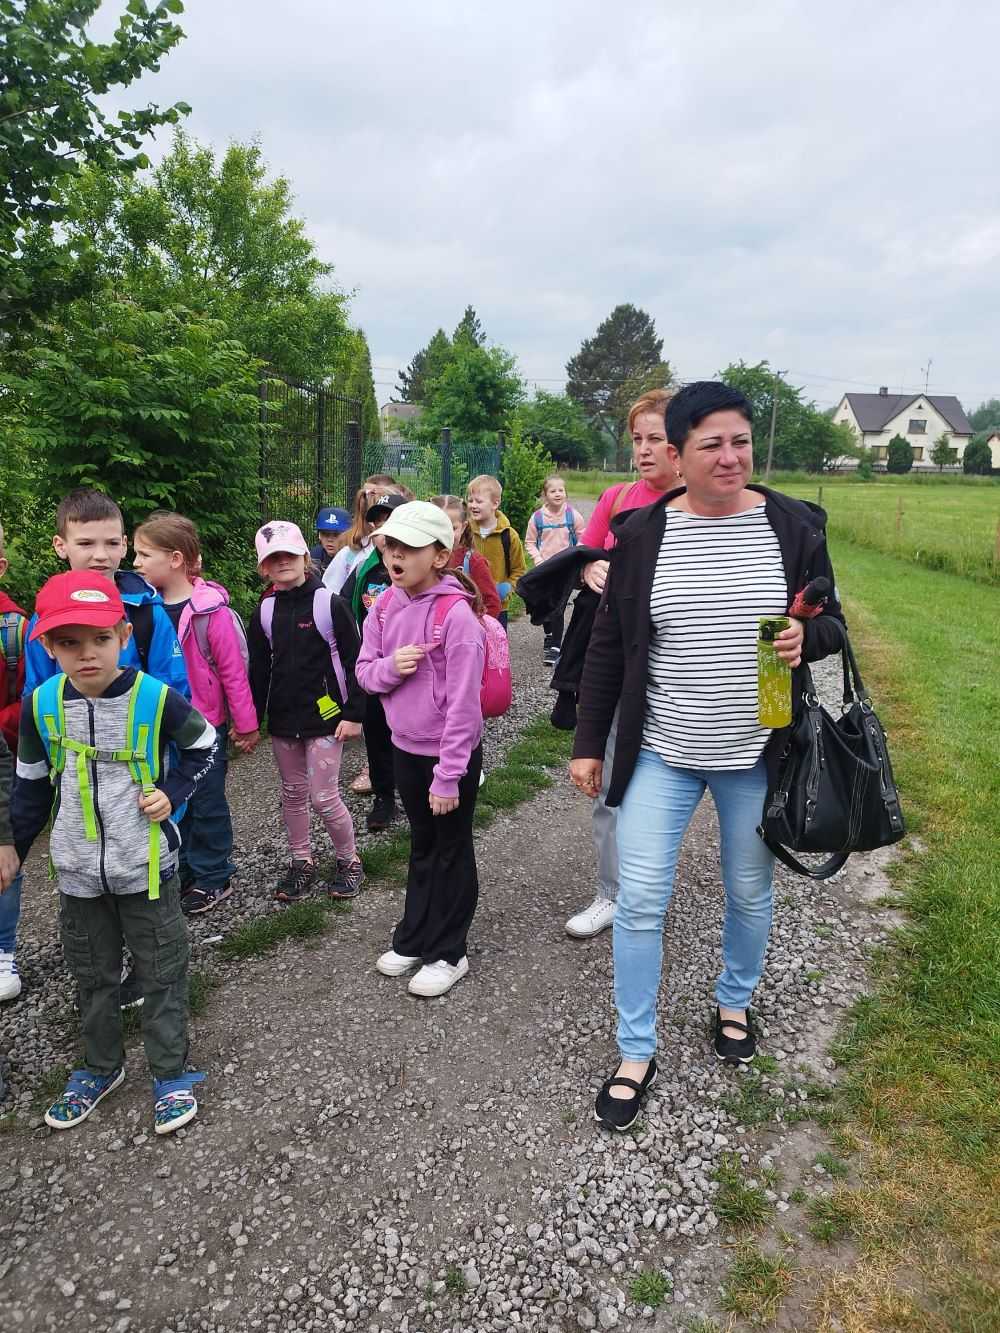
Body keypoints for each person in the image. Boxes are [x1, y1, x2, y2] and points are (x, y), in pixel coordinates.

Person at [569, 381, 846, 1132]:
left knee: (749, 891)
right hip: (663, 751)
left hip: (756, 749)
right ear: (679, 452)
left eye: (741, 441)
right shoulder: (642, 534)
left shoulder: (792, 525)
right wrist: (589, 744)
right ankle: (636, 1051)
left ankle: (734, 1001)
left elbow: (832, 625)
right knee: (640, 899)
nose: (731, 456)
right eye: (712, 444)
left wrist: (807, 636)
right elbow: (609, 646)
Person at [13, 571, 218, 1133]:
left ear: (124, 636)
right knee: (92, 975)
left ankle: (170, 1072)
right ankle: (101, 1067)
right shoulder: (41, 706)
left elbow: (204, 745)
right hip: (78, 872)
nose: (87, 654)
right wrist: (12, 848)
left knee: (161, 972)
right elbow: (29, 787)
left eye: (100, 639)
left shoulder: (156, 698)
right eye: (69, 642)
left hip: (146, 867)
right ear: (48, 646)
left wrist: (172, 793)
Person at [22, 488, 189, 1010]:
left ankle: (151, 968)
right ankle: (102, 970)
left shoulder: (146, 611)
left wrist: (170, 779)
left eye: (112, 543)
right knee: (90, 881)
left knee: (146, 879)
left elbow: (174, 689)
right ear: (60, 546)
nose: (101, 555)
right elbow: (38, 701)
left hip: (141, 782)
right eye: (86, 543)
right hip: (79, 782)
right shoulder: (46, 622)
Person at [355, 502, 486, 998]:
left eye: (409, 547)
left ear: (440, 556)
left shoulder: (457, 618)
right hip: (404, 748)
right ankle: (414, 937)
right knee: (423, 844)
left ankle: (449, 951)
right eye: (391, 545)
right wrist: (392, 667)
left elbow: (464, 706)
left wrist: (449, 776)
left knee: (452, 848)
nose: (396, 556)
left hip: (449, 757)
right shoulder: (384, 606)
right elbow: (364, 673)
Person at [564, 389, 679, 942]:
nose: (644, 450)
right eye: (637, 439)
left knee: (669, 790)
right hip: (619, 666)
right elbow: (582, 555)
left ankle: (651, 887)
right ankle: (611, 893)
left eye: (656, 438)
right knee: (610, 784)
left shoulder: (700, 503)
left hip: (678, 673)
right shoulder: (616, 498)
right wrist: (589, 571)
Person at [132, 512, 260, 915]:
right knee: (174, 798)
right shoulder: (143, 609)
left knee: (206, 802)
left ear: (175, 559)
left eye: (144, 554)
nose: (135, 562)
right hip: (160, 728)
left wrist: (246, 724)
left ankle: (214, 874)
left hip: (204, 726)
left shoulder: (209, 612)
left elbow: (233, 673)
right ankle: (185, 866)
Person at [247, 521, 366, 902]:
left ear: (304, 557)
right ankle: (302, 861)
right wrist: (251, 721)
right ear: (264, 567)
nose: (282, 562)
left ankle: (349, 860)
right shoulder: (264, 611)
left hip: (327, 720)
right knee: (293, 794)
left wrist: (354, 713)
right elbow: (259, 671)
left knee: (324, 797)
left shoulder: (330, 604)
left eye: (289, 554)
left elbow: (356, 662)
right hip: (284, 720)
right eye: (273, 558)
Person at [340, 493, 407, 832]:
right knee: (378, 734)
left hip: (411, 666)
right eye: (377, 522)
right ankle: (384, 797)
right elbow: (344, 604)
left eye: (389, 520)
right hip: (375, 666)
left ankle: (422, 788)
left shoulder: (415, 566)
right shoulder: (365, 569)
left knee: (411, 732)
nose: (382, 530)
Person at [0, 520, 27, 1002]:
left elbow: (30, 698)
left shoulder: (13, 629)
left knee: (4, 848)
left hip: (2, 755)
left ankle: (3, 951)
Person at [523, 475, 587, 665]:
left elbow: (584, 539)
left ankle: (556, 648)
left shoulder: (573, 516)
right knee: (545, 604)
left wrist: (575, 558)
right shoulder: (537, 518)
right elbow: (530, 542)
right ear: (545, 495)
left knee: (558, 606)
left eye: (561, 490)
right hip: (545, 568)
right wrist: (538, 559)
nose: (558, 494)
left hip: (566, 569)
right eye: (553, 491)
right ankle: (550, 634)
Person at [323, 474, 402, 596]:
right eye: (380, 526)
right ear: (373, 524)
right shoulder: (358, 561)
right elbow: (334, 598)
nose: (386, 536)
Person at [467, 475, 526, 630]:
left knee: (495, 641)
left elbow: (519, 569)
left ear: (495, 503)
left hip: (498, 606)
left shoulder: (509, 536)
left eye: (479, 501)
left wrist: (508, 588)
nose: (473, 505)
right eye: (470, 500)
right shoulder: (465, 532)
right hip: (468, 603)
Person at [429, 495, 501, 618]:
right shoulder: (419, 557)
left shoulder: (473, 562)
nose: (444, 534)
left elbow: (492, 604)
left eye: (452, 528)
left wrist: (473, 625)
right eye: (436, 527)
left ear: (463, 527)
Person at [311, 506, 352, 574]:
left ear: (348, 535)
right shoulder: (315, 556)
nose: (330, 539)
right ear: (319, 535)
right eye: (325, 534)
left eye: (336, 534)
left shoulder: (355, 558)